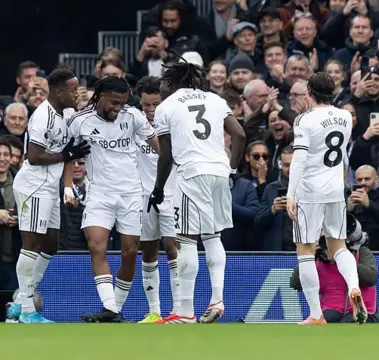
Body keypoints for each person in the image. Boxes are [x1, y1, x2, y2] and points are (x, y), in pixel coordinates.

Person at [150, 58, 246, 324]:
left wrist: (158, 188)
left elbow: (167, 155)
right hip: (219, 169)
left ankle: (185, 311)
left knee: (187, 240)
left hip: (191, 173)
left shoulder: (166, 106)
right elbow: (239, 135)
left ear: (172, 82)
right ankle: (217, 299)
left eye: (163, 84)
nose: (161, 89)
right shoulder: (215, 100)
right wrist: (233, 170)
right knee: (213, 237)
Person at [67, 76, 160, 323]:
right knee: (96, 246)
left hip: (131, 193)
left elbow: (158, 145)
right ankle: (110, 307)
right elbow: (67, 154)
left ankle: (115, 309)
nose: (117, 108)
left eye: (122, 103)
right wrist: (67, 187)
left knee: (130, 253)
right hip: (99, 193)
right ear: (100, 96)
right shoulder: (80, 121)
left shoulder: (133, 116)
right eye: (114, 102)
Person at [285, 71, 366, 325]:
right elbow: (342, 153)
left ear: (309, 93)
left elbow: (298, 158)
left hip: (310, 190)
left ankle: (315, 314)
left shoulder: (304, 120)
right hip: (335, 189)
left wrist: (291, 193)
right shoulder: (344, 117)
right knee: (338, 245)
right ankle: (353, 286)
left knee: (305, 250)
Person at [9, 69, 89, 324]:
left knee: (51, 244)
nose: (77, 93)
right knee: (31, 245)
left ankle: (21, 300)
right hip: (33, 185)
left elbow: (68, 152)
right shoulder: (42, 116)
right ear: (58, 91)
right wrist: (66, 155)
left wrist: (67, 186)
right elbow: (34, 157)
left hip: (51, 186)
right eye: (73, 89)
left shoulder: (67, 113)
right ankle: (27, 310)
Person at [134, 76, 180, 323]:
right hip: (143, 195)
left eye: (155, 104)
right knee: (149, 251)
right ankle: (154, 311)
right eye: (146, 105)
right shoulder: (133, 124)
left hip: (171, 193)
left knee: (173, 248)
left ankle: (178, 310)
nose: (151, 110)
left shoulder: (173, 123)